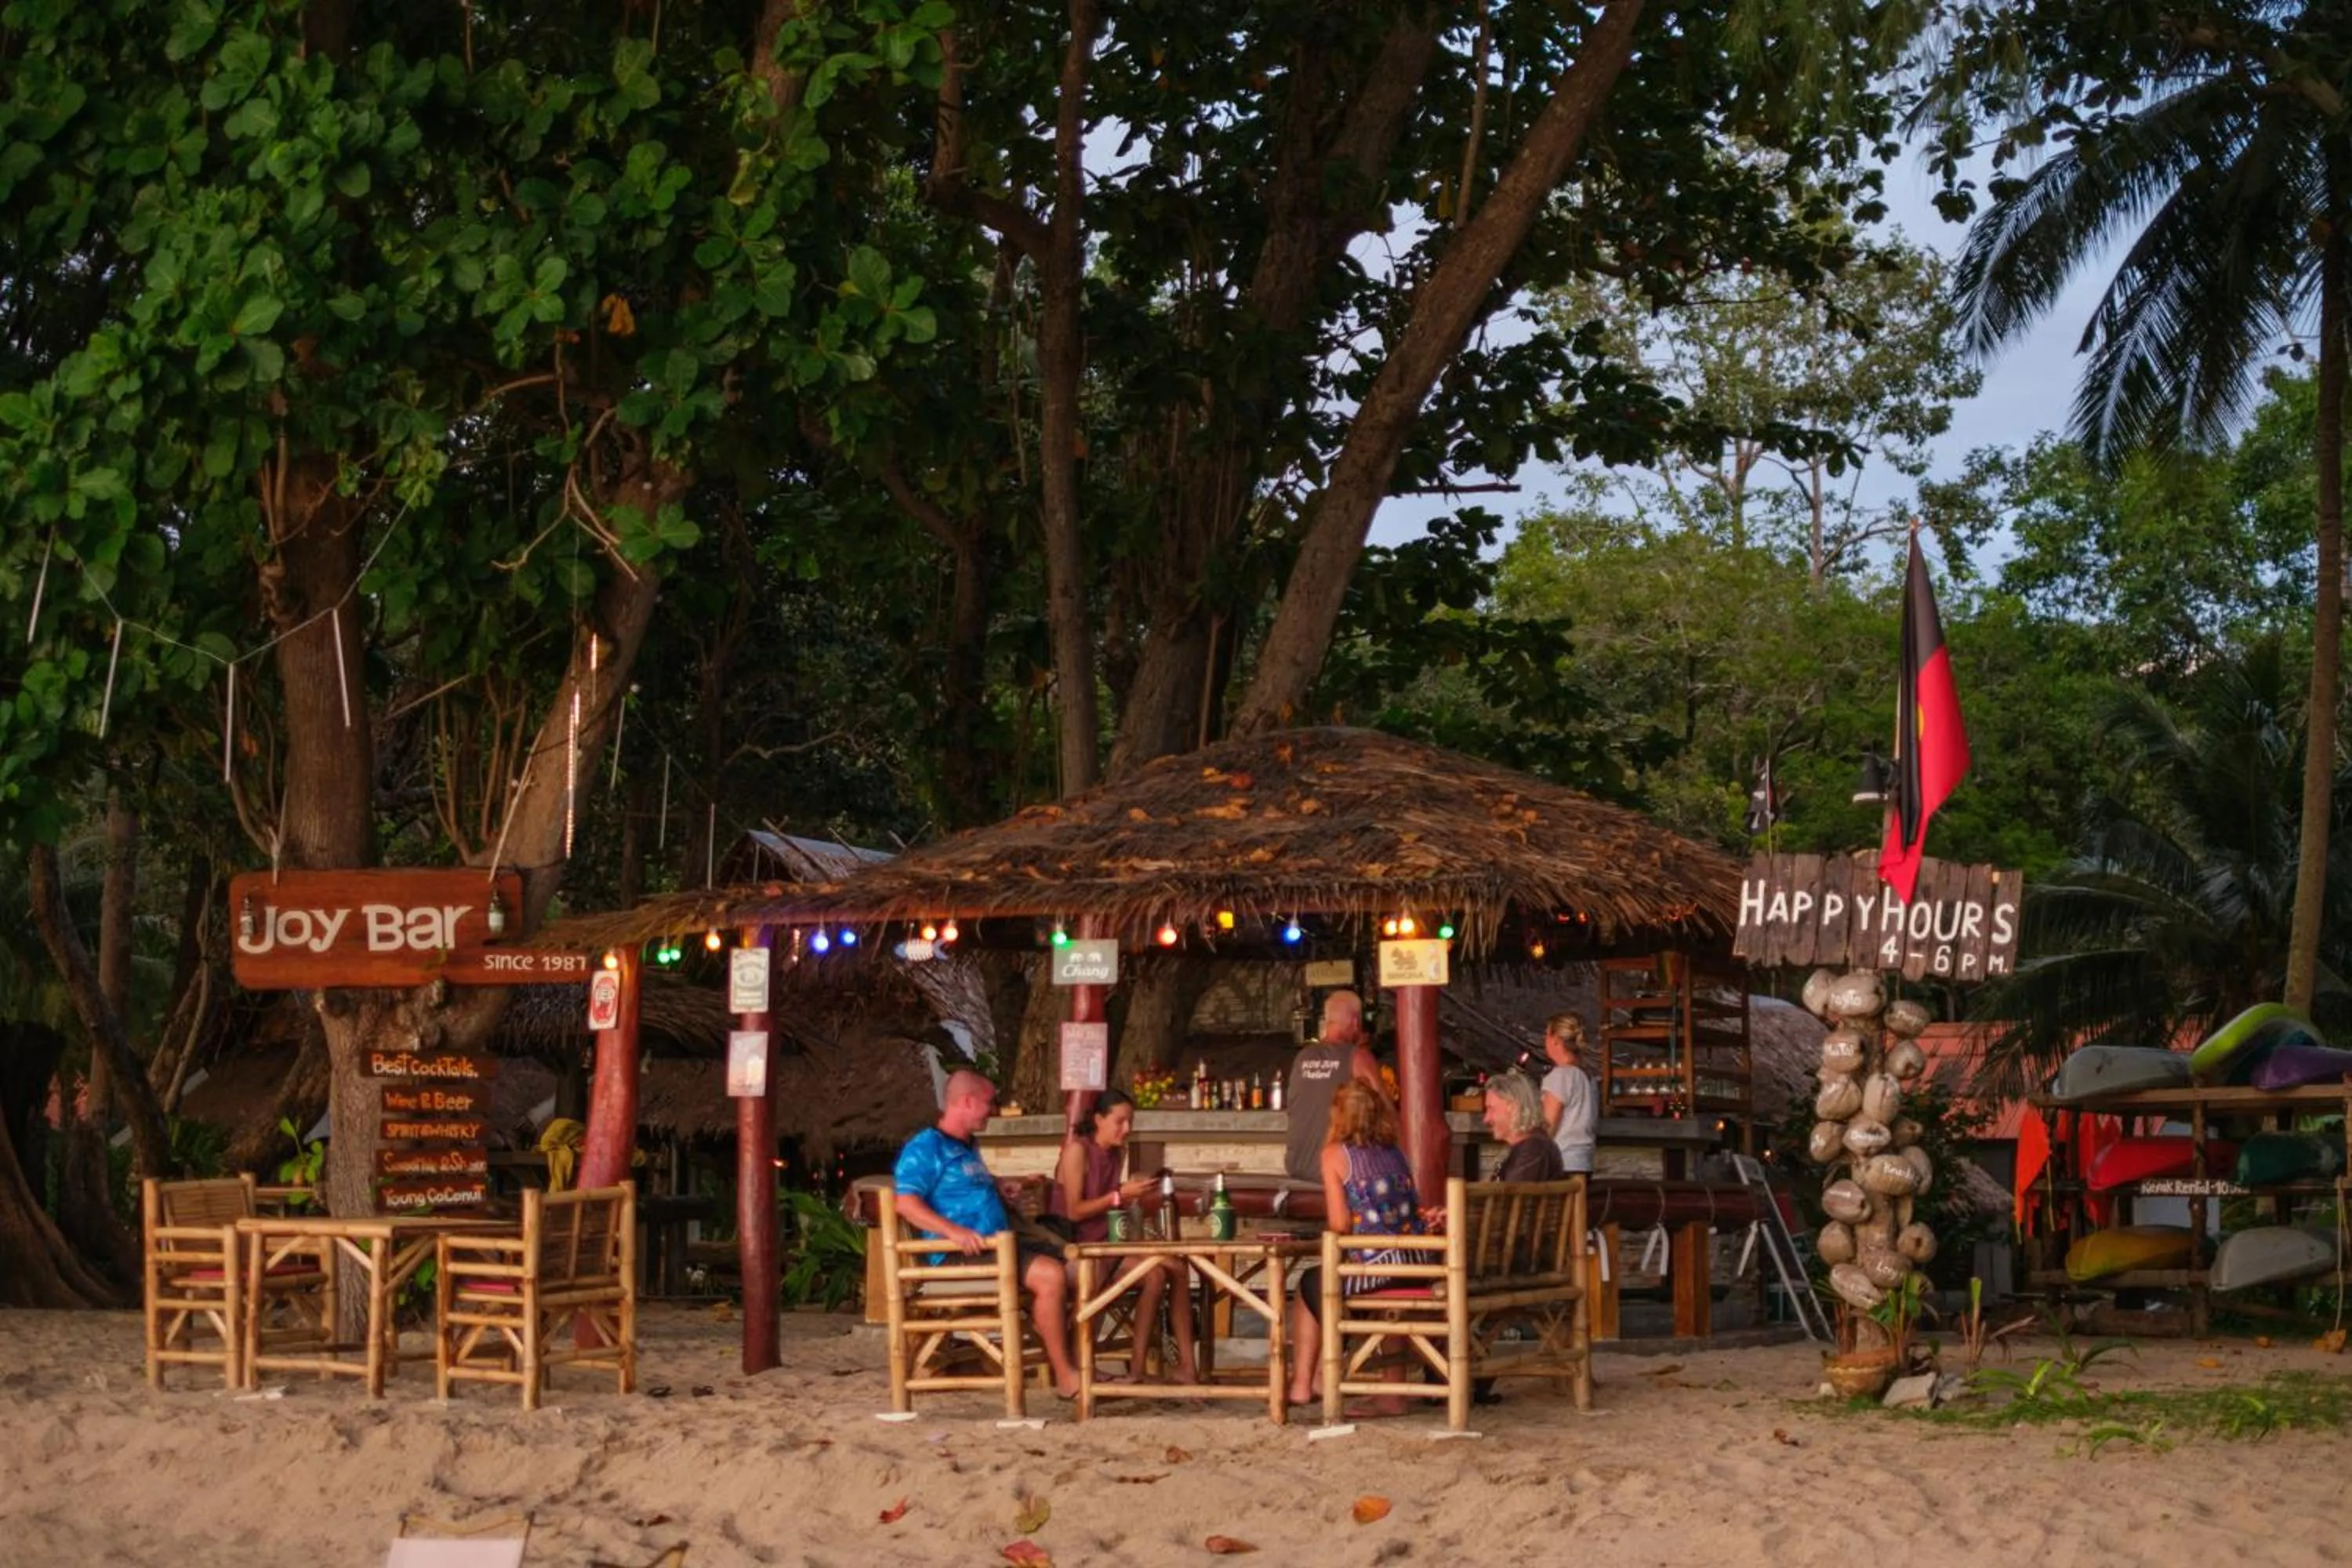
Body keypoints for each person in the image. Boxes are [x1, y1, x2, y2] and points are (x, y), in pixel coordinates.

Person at [893, 1069, 1082, 1399]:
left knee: (1082, 1271)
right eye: (988, 1103)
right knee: (1050, 1277)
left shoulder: (968, 1147)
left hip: (1002, 1247)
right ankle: (1067, 1378)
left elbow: (967, 1182)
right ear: (966, 1102)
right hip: (959, 1257)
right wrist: (954, 1232)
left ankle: (1077, 1363)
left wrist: (999, 1184)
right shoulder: (925, 1147)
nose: (993, 1110)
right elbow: (905, 1203)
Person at [1284, 1080, 1426, 1416]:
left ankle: (1304, 1384)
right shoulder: (1396, 1153)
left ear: (1338, 1116)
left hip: (1375, 1271)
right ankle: (1391, 1393)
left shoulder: (1336, 1155)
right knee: (1334, 1284)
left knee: (1310, 1284)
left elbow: (1340, 1225)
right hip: (1417, 1267)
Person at [1049, 1090, 1199, 1383]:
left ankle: (1148, 1367)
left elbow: (1114, 1205)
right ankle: (1166, 1367)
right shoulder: (1077, 1151)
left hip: (1110, 1244)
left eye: (1130, 1122)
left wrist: (1135, 1194)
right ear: (1098, 1120)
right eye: (1120, 1122)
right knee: (1167, 1272)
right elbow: (1075, 1211)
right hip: (1078, 1247)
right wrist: (1120, 1195)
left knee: (1169, 1271)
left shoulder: (1117, 1152)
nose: (1126, 1129)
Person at [1283, 989, 1384, 1181]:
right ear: (1356, 1022)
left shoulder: (1302, 1057)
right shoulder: (1358, 1057)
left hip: (1297, 1170)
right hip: (1338, 1174)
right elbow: (1387, 1114)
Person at [1540, 1012, 1598, 1175]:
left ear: (1555, 1040)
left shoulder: (1560, 1076)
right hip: (1583, 1162)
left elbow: (1548, 1125)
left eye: (1546, 1034)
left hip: (1562, 1162)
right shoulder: (1588, 1077)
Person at [1483, 1074, 1564, 1183]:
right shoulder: (1530, 1148)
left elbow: (1512, 1196)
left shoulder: (1534, 1149)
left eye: (1491, 1109)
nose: (1486, 1119)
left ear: (1513, 1107)